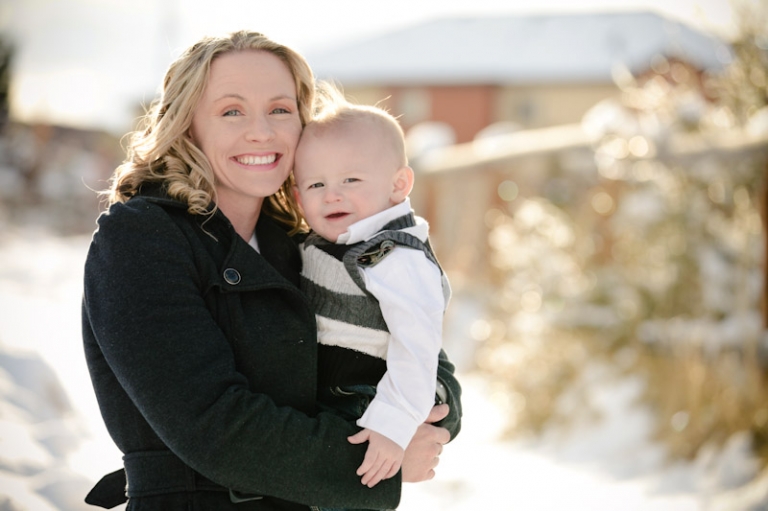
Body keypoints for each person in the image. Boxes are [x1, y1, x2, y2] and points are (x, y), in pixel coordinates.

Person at [81, 30, 462, 511]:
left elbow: (419, 346)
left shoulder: (302, 240)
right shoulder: (141, 239)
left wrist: (429, 418)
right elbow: (212, 425)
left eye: (280, 109)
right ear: (187, 125)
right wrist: (380, 461)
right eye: (232, 111)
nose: (261, 131)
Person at [292, 85, 451, 501]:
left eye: (351, 179)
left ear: (399, 184)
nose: (332, 194)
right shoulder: (328, 240)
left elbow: (418, 348)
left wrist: (392, 423)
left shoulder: (393, 256)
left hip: (366, 400)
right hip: (323, 398)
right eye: (315, 185)